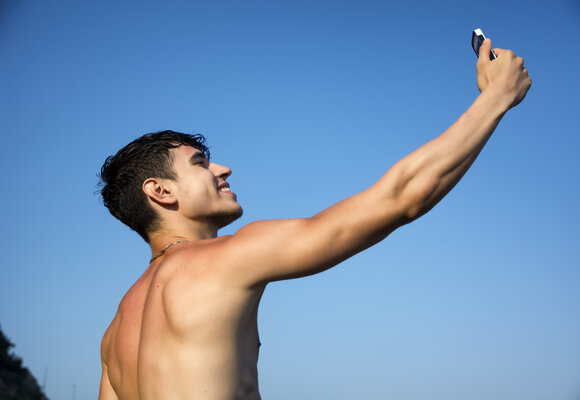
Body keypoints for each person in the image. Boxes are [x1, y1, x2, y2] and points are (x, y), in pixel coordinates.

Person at [97, 38, 531, 400]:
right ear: (160, 191)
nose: (222, 169)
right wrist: (496, 98)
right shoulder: (222, 259)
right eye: (200, 163)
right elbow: (401, 199)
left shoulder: (117, 331)